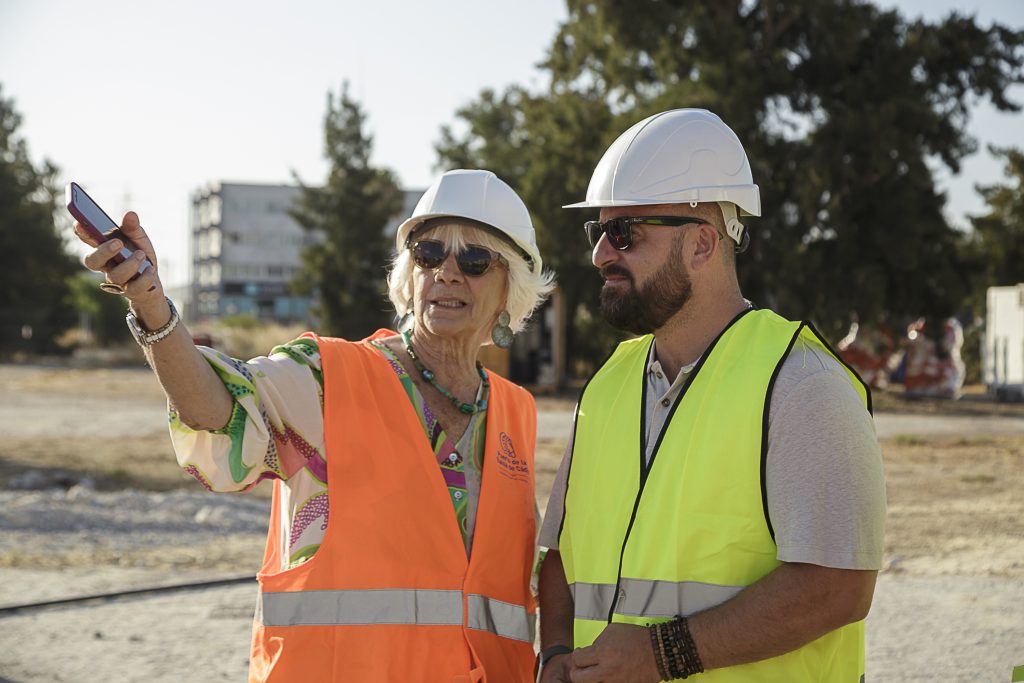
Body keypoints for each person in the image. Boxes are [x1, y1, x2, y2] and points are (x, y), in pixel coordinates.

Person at [74, 169, 555, 683]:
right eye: (429, 254)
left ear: (511, 289)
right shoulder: (326, 377)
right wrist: (152, 305)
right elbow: (215, 408)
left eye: (475, 260)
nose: (447, 273)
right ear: (408, 274)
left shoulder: (516, 413)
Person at [536, 109, 886, 682]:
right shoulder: (606, 387)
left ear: (701, 243)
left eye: (624, 233)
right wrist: (553, 654)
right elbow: (560, 558)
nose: (600, 255)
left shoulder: (802, 384)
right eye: (596, 233)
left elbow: (838, 586)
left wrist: (661, 654)